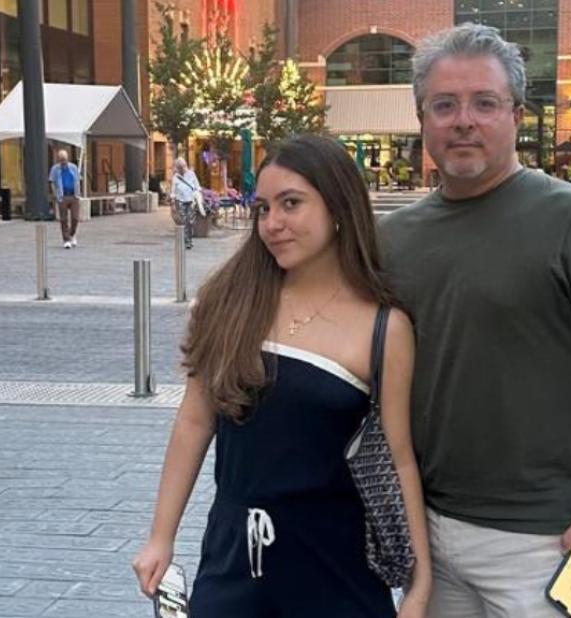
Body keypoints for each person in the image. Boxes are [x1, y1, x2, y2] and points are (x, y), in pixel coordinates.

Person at [378, 23, 571, 617]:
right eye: (445, 105)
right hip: (428, 529)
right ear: (422, 119)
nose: (464, 121)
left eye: (484, 103)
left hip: (544, 538)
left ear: (515, 115)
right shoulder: (392, 238)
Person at [133, 135, 432, 617]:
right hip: (234, 561)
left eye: (291, 204)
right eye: (263, 208)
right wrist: (160, 537)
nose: (273, 224)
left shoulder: (384, 327)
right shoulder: (229, 302)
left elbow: (399, 460)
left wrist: (419, 583)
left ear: (338, 207)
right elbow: (194, 421)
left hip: (337, 569)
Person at [49, 150, 82, 249]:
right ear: (58, 160)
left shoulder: (73, 167)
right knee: (63, 219)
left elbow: (78, 180)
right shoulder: (55, 169)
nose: (63, 162)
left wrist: (78, 193)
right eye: (61, 160)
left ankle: (72, 234)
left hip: (74, 195)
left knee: (75, 218)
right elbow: (52, 182)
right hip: (62, 196)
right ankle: (66, 239)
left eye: (65, 160)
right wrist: (56, 194)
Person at [171, 157, 201, 249]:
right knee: (184, 221)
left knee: (190, 221)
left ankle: (189, 239)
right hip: (181, 201)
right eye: (179, 168)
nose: (182, 169)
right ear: (177, 168)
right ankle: (186, 241)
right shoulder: (175, 177)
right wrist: (173, 202)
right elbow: (173, 191)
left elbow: (197, 186)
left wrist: (196, 195)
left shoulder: (191, 174)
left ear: (185, 166)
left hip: (191, 201)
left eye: (183, 167)